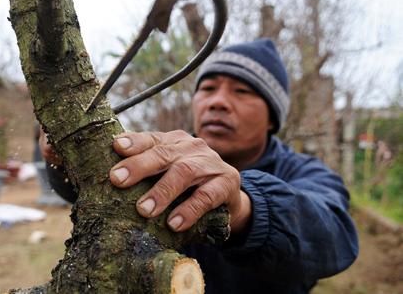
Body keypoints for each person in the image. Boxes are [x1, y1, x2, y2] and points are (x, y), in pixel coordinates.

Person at [40, 38, 358, 293]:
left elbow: (334, 234)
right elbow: (107, 191)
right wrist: (67, 161)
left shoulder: (306, 172)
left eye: (242, 91)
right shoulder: (165, 158)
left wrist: (244, 208)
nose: (217, 101)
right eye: (207, 88)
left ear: (273, 119)